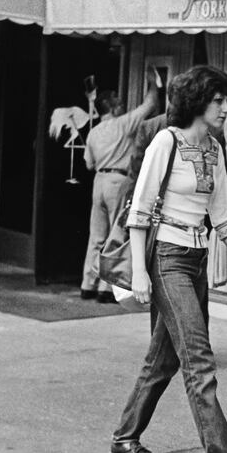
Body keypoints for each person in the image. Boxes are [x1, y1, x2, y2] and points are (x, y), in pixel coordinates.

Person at [111, 66, 227, 453]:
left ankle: (125, 437)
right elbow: (140, 209)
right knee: (199, 358)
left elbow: (224, 212)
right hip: (167, 257)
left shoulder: (215, 148)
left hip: (197, 258)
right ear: (199, 100)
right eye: (221, 100)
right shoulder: (167, 141)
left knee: (163, 359)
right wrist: (141, 272)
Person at [81, 71, 159, 302]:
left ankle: (87, 284)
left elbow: (88, 163)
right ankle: (106, 288)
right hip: (118, 180)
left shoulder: (94, 132)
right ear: (112, 107)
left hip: (99, 181)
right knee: (114, 235)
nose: (122, 105)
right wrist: (153, 83)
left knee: (95, 236)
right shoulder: (124, 124)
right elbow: (150, 104)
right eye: (118, 101)